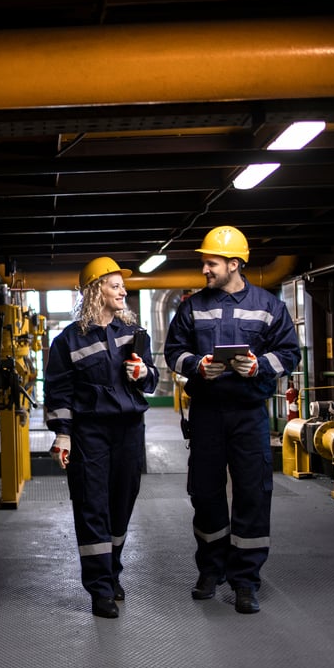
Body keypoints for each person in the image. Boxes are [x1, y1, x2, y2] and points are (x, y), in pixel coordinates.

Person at [163, 225, 300, 614]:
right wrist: (195, 366)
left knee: (253, 493)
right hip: (207, 414)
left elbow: (289, 353)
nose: (205, 269)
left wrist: (258, 365)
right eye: (204, 262)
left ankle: (245, 581)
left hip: (248, 414)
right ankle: (211, 569)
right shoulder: (191, 306)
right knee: (204, 492)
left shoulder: (269, 305)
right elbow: (174, 351)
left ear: (234, 264)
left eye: (212, 262)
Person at [44, 256, 159, 619]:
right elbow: (58, 392)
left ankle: (112, 571)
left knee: (122, 503)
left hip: (128, 430)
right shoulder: (67, 341)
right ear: (96, 291)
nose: (123, 290)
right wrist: (63, 435)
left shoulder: (134, 334)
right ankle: (100, 589)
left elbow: (151, 381)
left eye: (122, 285)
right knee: (93, 506)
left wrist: (143, 372)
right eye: (114, 285)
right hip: (89, 432)